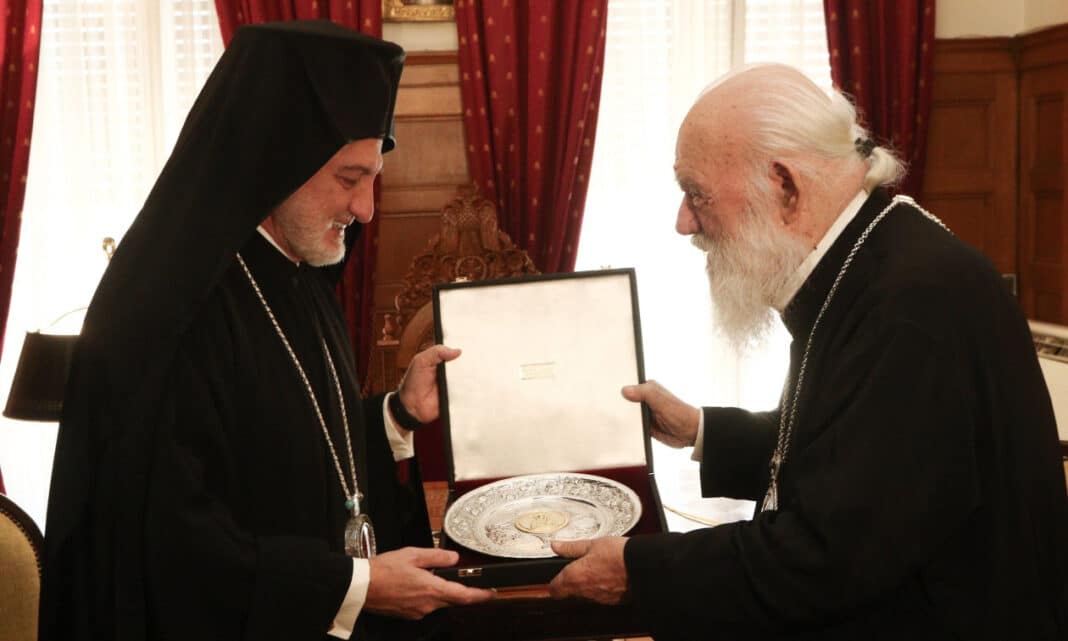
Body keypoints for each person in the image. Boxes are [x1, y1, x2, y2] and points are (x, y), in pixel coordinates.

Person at [549, 63, 1068, 639]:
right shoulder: (869, 257)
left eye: (696, 194)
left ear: (785, 186)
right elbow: (847, 456)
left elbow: (831, 555)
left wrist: (639, 570)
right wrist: (701, 430)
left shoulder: (911, 302)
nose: (683, 222)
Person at [39, 21, 493, 641]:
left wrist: (395, 416)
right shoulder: (174, 310)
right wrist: (353, 586)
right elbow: (166, 542)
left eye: (374, 178)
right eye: (348, 178)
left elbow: (294, 456)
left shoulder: (303, 275)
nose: (365, 208)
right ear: (276, 158)